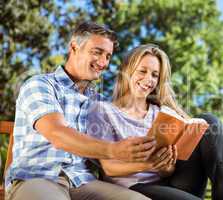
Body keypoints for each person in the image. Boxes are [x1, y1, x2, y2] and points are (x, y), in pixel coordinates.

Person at [4, 22, 155, 200]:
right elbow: (57, 133)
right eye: (97, 52)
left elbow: (112, 157)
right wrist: (114, 149)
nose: (103, 62)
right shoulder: (41, 85)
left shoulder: (99, 102)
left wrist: (151, 155)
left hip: (82, 182)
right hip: (37, 177)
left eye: (108, 56)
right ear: (74, 47)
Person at [87, 44, 223, 200]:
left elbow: (168, 171)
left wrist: (165, 166)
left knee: (209, 121)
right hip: (135, 188)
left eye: (155, 75)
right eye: (142, 71)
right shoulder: (103, 110)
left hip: (174, 182)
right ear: (127, 70)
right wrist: (148, 164)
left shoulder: (160, 113)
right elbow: (109, 168)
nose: (149, 80)